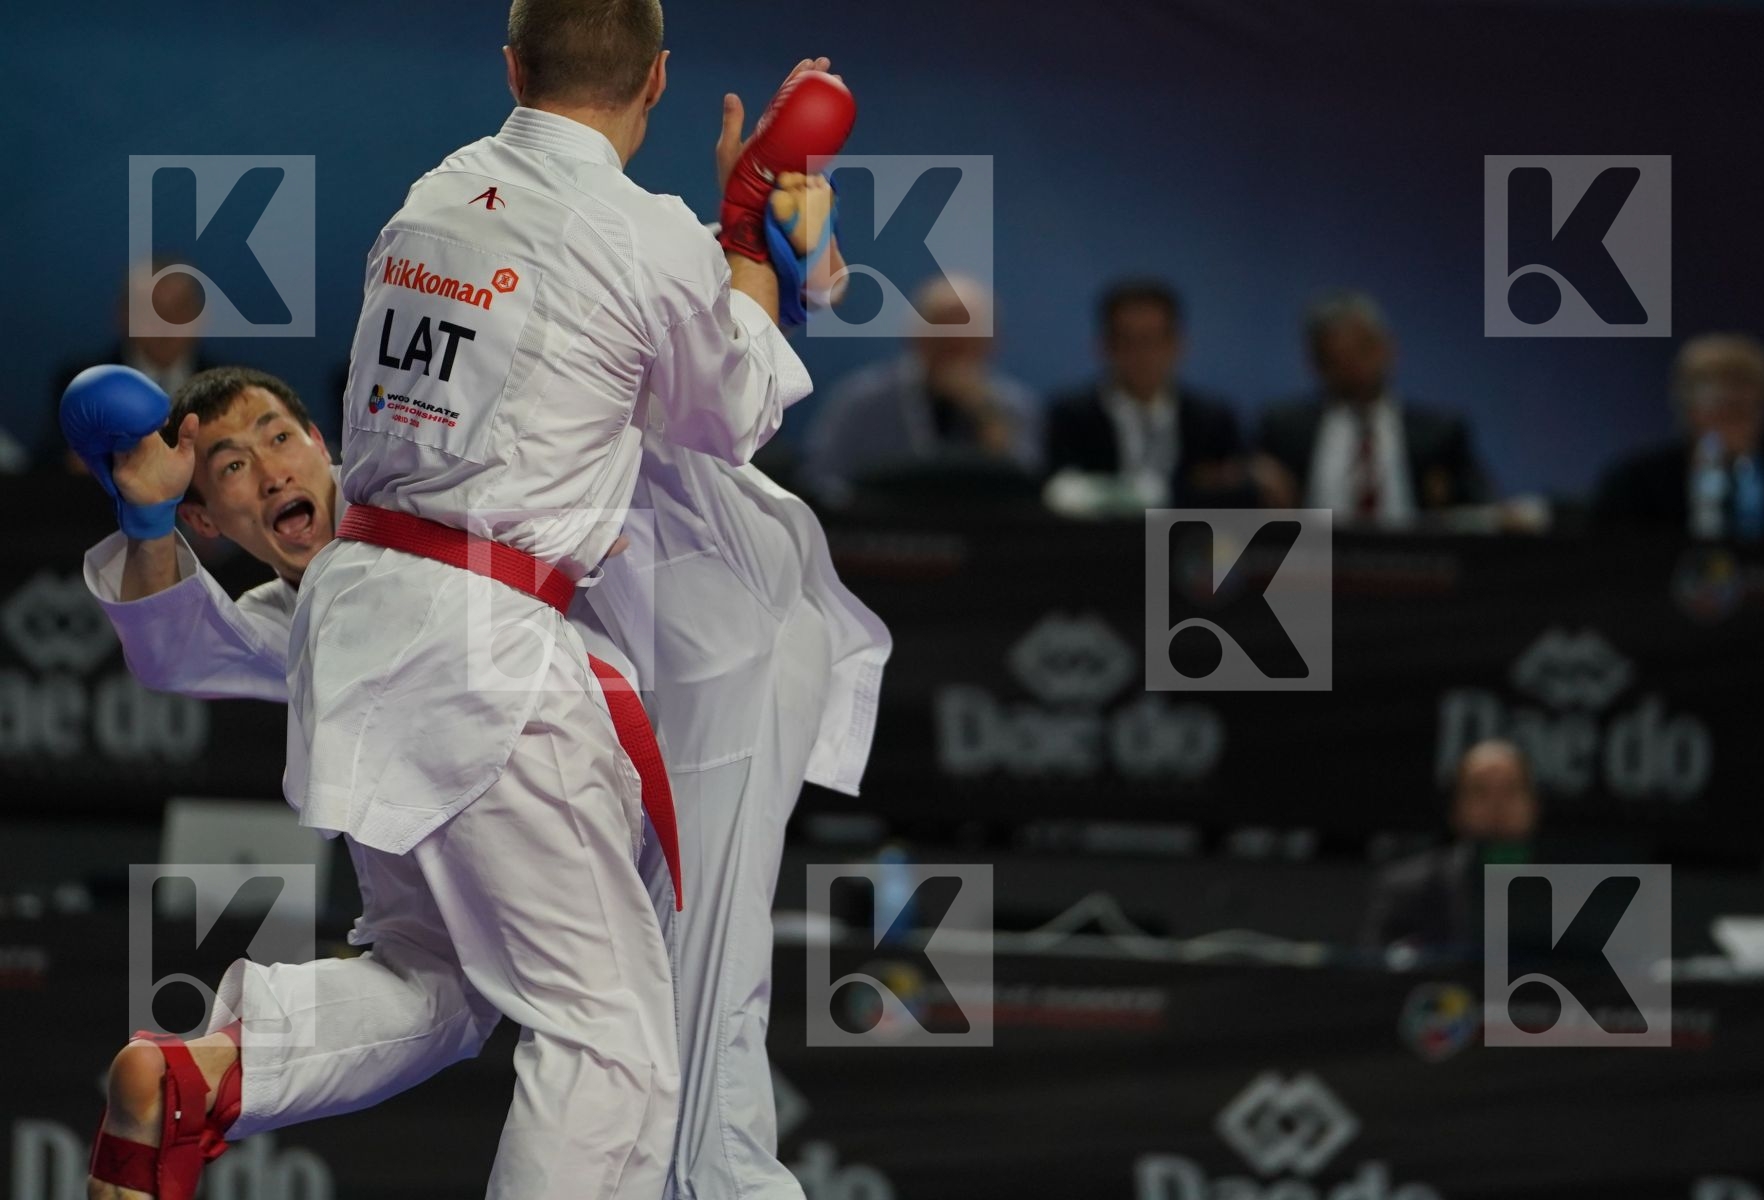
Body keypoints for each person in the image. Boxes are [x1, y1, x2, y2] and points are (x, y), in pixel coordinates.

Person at [79, 6, 852, 1196]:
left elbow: (609, 323)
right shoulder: (635, 235)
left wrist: (760, 249)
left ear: (510, 66)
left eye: (279, 436)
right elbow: (729, 404)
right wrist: (750, 235)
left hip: (396, 635)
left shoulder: (432, 201)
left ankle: (207, 1080)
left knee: (437, 980)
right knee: (611, 1042)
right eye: (232, 466)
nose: (271, 469)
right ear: (657, 80)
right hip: (497, 646)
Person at [800, 273, 1040, 506]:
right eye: (942, 336)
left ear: (991, 343)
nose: (953, 348)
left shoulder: (1013, 406)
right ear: (915, 336)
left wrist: (988, 420)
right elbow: (820, 479)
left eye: (967, 338)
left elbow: (1028, 488)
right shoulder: (861, 401)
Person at [1258, 290, 1486, 524]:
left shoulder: (1438, 434)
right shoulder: (1285, 429)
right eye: (1338, 357)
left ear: (1389, 348)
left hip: (1413, 546)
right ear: (1316, 363)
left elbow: (1483, 508)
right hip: (1315, 546)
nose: (1355, 367)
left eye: (1362, 350)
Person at [1043, 279, 1252, 510]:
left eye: (1151, 340)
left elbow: (1231, 494)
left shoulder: (1212, 420)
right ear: (1105, 346)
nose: (1141, 354)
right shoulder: (1072, 416)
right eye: (1128, 341)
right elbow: (1056, 493)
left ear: (1177, 344)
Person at [1593, 332, 1764, 541]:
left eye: (1740, 409)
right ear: (1688, 408)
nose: (1730, 420)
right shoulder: (1635, 484)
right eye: (1719, 408)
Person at [1360, 739, 1539, 958]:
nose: (1497, 803)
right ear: (1456, 806)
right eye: (1480, 791)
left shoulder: (1568, 891)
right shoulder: (1406, 890)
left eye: (1511, 790)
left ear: (1533, 805)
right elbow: (1377, 970)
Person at [49, 265, 214, 472]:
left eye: (179, 309)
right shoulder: (82, 384)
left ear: (199, 315)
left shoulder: (234, 388)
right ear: (124, 315)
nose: (166, 323)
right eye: (151, 309)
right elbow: (48, 463)